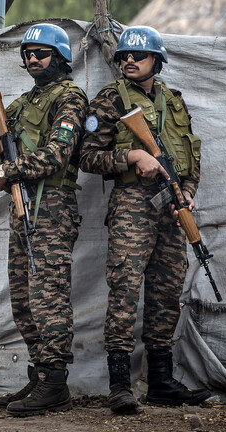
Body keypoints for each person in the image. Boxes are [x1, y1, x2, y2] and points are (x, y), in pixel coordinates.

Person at [79, 26, 211, 414]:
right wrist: (132, 158)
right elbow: (87, 157)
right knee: (124, 290)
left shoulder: (174, 101)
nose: (129, 61)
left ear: (158, 60)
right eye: (124, 57)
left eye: (138, 56)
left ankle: (161, 382)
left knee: (167, 293)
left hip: (172, 209)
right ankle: (119, 384)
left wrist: (186, 193)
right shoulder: (109, 101)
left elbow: (192, 155)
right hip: (132, 206)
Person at [0, 23, 88, 417]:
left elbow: (58, 154)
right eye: (27, 54)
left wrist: (7, 172)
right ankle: (40, 374)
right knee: (24, 300)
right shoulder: (28, 100)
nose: (32, 60)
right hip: (23, 204)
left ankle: (55, 383)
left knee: (49, 298)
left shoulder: (70, 98)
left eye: (40, 53)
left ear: (60, 57)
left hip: (53, 205)